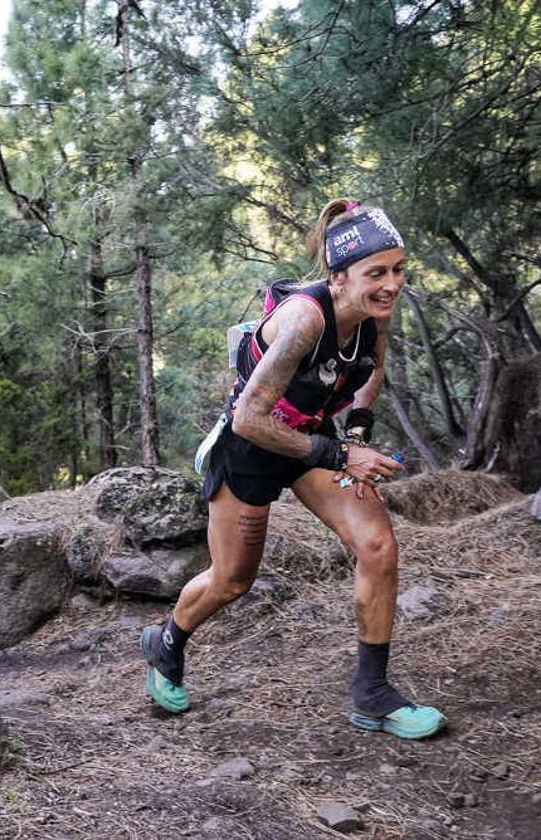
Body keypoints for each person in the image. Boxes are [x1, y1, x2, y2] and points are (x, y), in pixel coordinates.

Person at [140, 199, 446, 740]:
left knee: (378, 546)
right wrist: (342, 455)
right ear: (338, 276)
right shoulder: (305, 320)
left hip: (315, 443)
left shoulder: (375, 310)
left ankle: (372, 694)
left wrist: (357, 430)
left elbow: (372, 370)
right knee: (233, 580)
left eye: (399, 270)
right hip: (252, 448)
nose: (392, 284)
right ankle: (166, 640)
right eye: (377, 273)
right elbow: (249, 417)